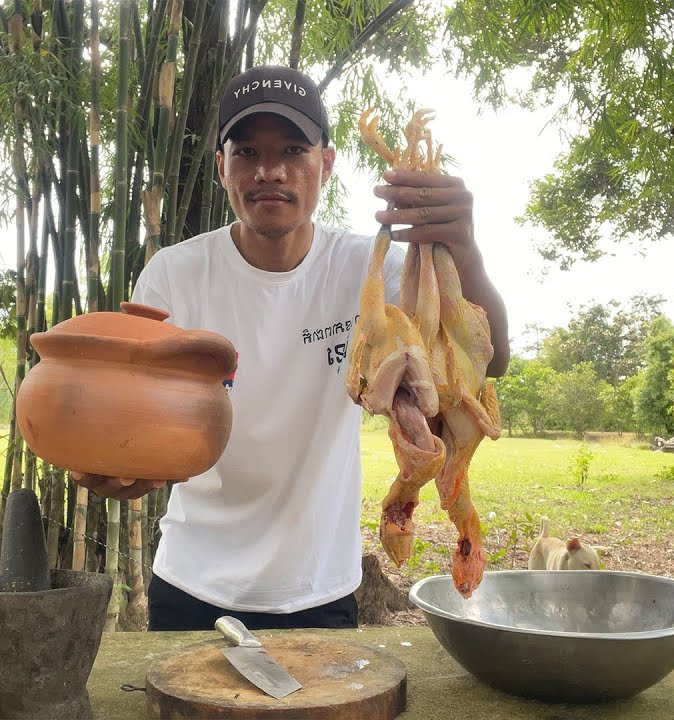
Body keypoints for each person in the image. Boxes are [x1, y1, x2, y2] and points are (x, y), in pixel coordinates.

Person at [69, 65, 509, 632]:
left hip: (320, 588)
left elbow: (488, 360)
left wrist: (463, 249)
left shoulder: (368, 272)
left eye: (294, 149)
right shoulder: (174, 276)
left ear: (325, 163)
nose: (270, 170)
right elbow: (141, 418)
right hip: (192, 583)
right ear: (222, 166)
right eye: (247, 150)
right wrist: (121, 461)